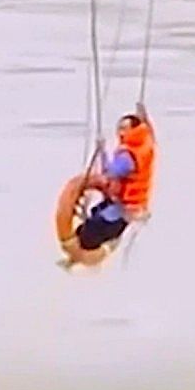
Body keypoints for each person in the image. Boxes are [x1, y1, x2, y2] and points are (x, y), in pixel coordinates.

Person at [55, 104, 156, 268]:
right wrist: (143, 116)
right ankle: (79, 255)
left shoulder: (129, 155)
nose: (120, 132)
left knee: (93, 229)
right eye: (119, 128)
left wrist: (102, 152)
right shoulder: (144, 145)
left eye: (124, 128)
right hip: (130, 205)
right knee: (95, 215)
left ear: (133, 130)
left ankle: (83, 254)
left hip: (123, 207)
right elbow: (151, 135)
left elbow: (111, 173)